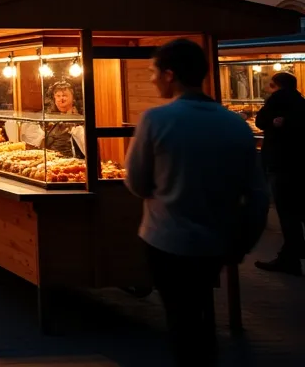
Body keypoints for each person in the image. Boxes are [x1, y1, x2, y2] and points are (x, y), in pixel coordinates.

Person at [124, 39, 270, 366]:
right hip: (217, 240)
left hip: (166, 239)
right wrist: (244, 241)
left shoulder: (156, 120)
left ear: (170, 75)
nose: (150, 79)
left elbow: (136, 182)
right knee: (201, 311)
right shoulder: (235, 124)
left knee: (181, 321)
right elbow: (258, 195)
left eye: (153, 72)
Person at [254, 71, 305, 275]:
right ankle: (292, 253)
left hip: (281, 163)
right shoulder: (302, 102)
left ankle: (291, 257)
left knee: (287, 212)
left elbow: (260, 122)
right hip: (300, 163)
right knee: (298, 209)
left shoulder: (276, 100)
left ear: (276, 85)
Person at [5, 82, 86, 158]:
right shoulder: (51, 120)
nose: (61, 99)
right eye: (58, 96)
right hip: (52, 161)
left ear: (73, 98)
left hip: (73, 164)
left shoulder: (79, 120)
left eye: (65, 95)